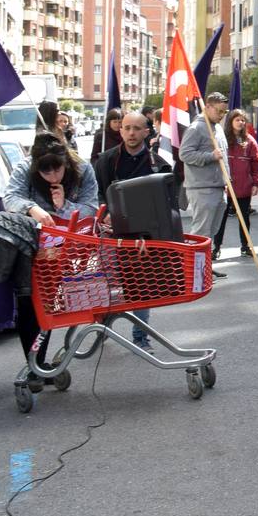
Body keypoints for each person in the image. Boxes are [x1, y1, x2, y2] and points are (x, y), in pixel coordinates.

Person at [5, 133, 100, 371]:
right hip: (34, 247)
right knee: (30, 301)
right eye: (45, 173)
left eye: (57, 170)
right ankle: (35, 364)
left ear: (65, 162)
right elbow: (9, 197)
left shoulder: (83, 168)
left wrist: (63, 206)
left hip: (70, 248)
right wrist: (32, 208)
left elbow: (91, 209)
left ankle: (41, 363)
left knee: (56, 302)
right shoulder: (24, 168)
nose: (53, 177)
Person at [90, 112, 168, 349]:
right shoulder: (105, 161)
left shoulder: (159, 164)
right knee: (106, 285)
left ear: (147, 132)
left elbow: (165, 203)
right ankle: (102, 327)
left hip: (142, 237)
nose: (131, 133)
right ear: (120, 131)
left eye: (136, 128)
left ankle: (140, 337)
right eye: (127, 128)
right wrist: (105, 213)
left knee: (141, 287)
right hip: (109, 235)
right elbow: (95, 193)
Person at [178, 93, 233, 279]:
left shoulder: (217, 127)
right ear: (207, 107)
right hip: (202, 187)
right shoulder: (196, 128)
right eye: (218, 111)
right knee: (201, 232)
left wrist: (227, 180)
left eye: (224, 112)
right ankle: (193, 272)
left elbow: (223, 156)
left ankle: (205, 267)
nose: (221, 115)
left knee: (212, 232)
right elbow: (185, 154)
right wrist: (210, 156)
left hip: (218, 186)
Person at [216, 110, 258, 259]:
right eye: (237, 120)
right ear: (230, 121)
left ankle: (245, 246)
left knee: (244, 218)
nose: (240, 123)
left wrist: (256, 182)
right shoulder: (221, 139)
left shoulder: (249, 140)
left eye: (243, 120)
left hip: (243, 186)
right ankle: (216, 247)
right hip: (225, 186)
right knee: (220, 219)